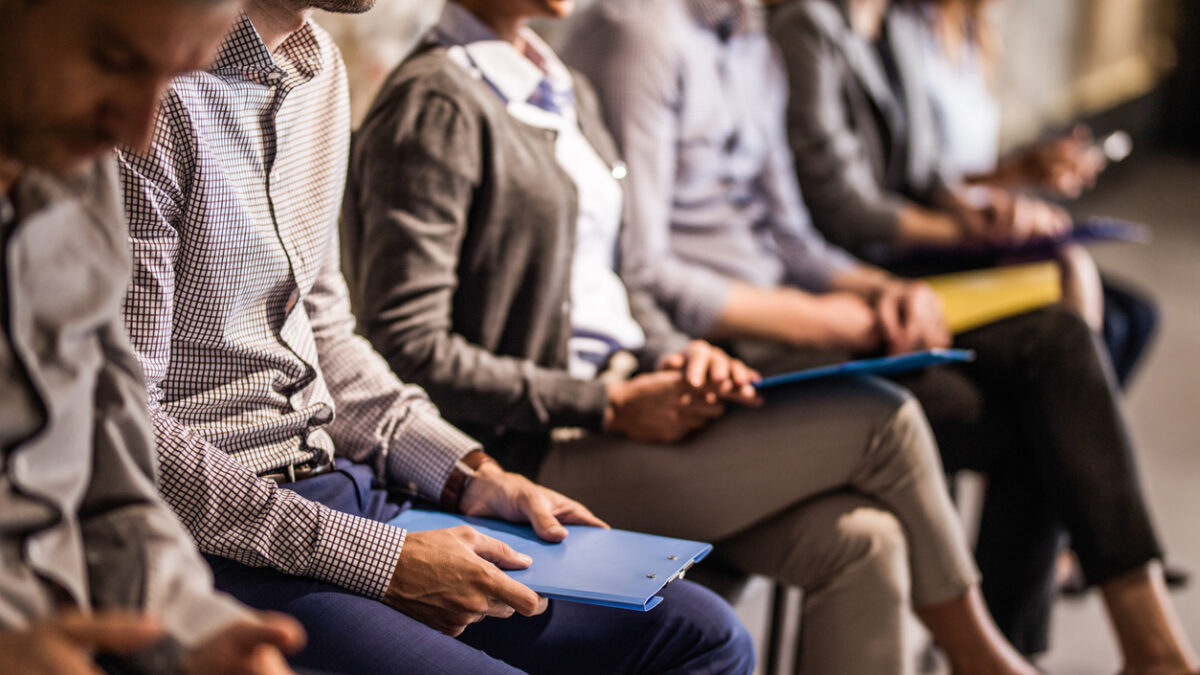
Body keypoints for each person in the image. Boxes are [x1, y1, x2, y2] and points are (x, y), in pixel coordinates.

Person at [341, 2, 1040, 674]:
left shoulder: (561, 81)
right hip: (537, 448)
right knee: (887, 420)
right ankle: (980, 655)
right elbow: (408, 345)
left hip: (629, 399)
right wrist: (606, 403)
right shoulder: (436, 102)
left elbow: (622, 284)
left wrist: (677, 352)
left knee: (862, 541)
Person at [115, 1, 754, 673]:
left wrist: (469, 473)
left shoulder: (321, 69)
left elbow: (328, 336)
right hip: (220, 535)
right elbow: (129, 430)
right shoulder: (151, 99)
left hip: (339, 482)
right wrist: (378, 560)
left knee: (703, 631)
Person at [563, 1, 1200, 673]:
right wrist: (842, 317)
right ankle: (1043, 653)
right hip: (728, 341)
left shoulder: (748, 35)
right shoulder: (644, 32)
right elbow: (647, 270)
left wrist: (878, 290)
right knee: (1043, 408)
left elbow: (794, 235)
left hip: (796, 301)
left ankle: (1124, 647)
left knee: (1058, 346)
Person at [0, 0, 307, 672]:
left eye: (172, 79)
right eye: (113, 61)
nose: (137, 133)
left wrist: (200, 632)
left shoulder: (76, 179)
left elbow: (116, 491)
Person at [911, 0, 1158, 389]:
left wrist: (1025, 169)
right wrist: (1001, 201)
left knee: (1139, 316)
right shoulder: (910, 36)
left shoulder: (974, 35)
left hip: (984, 221)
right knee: (1079, 286)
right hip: (943, 234)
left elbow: (969, 166)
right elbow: (917, 181)